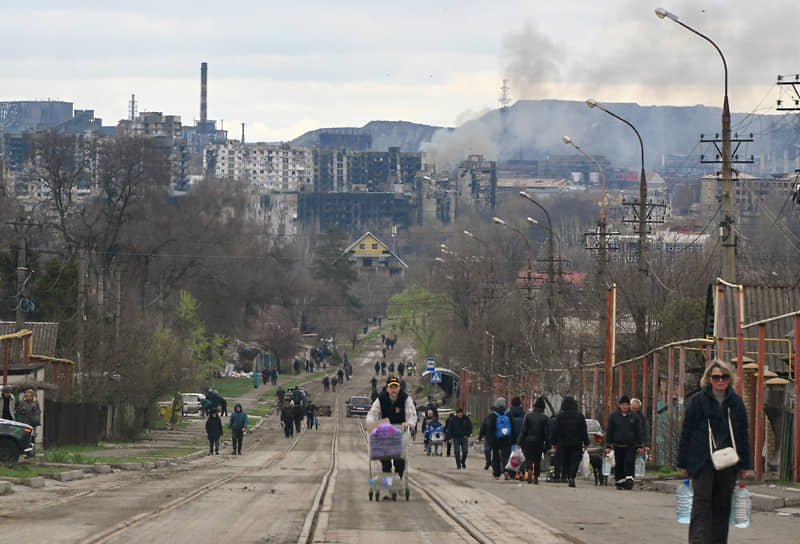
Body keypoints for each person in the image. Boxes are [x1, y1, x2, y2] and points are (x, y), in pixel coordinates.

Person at [678, 360, 750, 544]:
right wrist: (683, 463)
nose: (720, 380)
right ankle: (698, 541)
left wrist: (745, 465)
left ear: (729, 379)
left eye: (724, 377)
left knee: (722, 505)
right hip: (701, 461)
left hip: (728, 462)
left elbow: (742, 434)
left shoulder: (736, 403)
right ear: (709, 379)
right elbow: (686, 431)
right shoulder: (698, 401)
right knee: (701, 504)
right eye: (716, 377)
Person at [366, 376, 417, 479]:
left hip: (400, 433)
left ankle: (399, 477)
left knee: (399, 460)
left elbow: (412, 414)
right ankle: (388, 480)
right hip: (385, 432)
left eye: (396, 387)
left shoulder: (405, 398)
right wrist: (371, 424)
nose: (394, 390)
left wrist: (409, 424)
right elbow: (373, 413)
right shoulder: (381, 398)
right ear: (387, 388)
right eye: (391, 387)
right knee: (385, 459)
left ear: (399, 388)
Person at [605, 395, 642, 490]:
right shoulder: (614, 416)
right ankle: (620, 482)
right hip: (618, 445)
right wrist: (608, 445)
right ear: (620, 405)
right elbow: (609, 431)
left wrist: (639, 445)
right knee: (619, 464)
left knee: (629, 461)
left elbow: (638, 432)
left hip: (630, 445)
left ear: (629, 406)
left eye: (626, 405)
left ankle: (629, 480)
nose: (625, 407)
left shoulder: (634, 417)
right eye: (623, 405)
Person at [553, 396, 588, 488]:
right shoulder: (580, 416)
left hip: (563, 443)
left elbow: (556, 430)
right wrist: (586, 442)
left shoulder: (560, 416)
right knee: (575, 461)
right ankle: (572, 476)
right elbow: (583, 430)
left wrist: (553, 442)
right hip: (576, 443)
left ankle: (565, 475)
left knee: (565, 460)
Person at [517, 397, 549, 484]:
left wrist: (519, 442)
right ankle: (536, 477)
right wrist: (548, 445)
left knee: (529, 458)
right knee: (537, 460)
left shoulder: (528, 416)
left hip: (528, 441)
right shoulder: (545, 418)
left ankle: (530, 469)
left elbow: (523, 431)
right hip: (539, 441)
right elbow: (547, 433)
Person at [486, 397, 514, 479]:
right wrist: (513, 439)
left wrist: (490, 440)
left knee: (496, 456)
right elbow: (513, 427)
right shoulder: (509, 414)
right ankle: (506, 471)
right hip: (506, 439)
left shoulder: (493, 415)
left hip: (496, 439)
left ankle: (496, 473)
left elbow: (490, 429)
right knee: (505, 456)